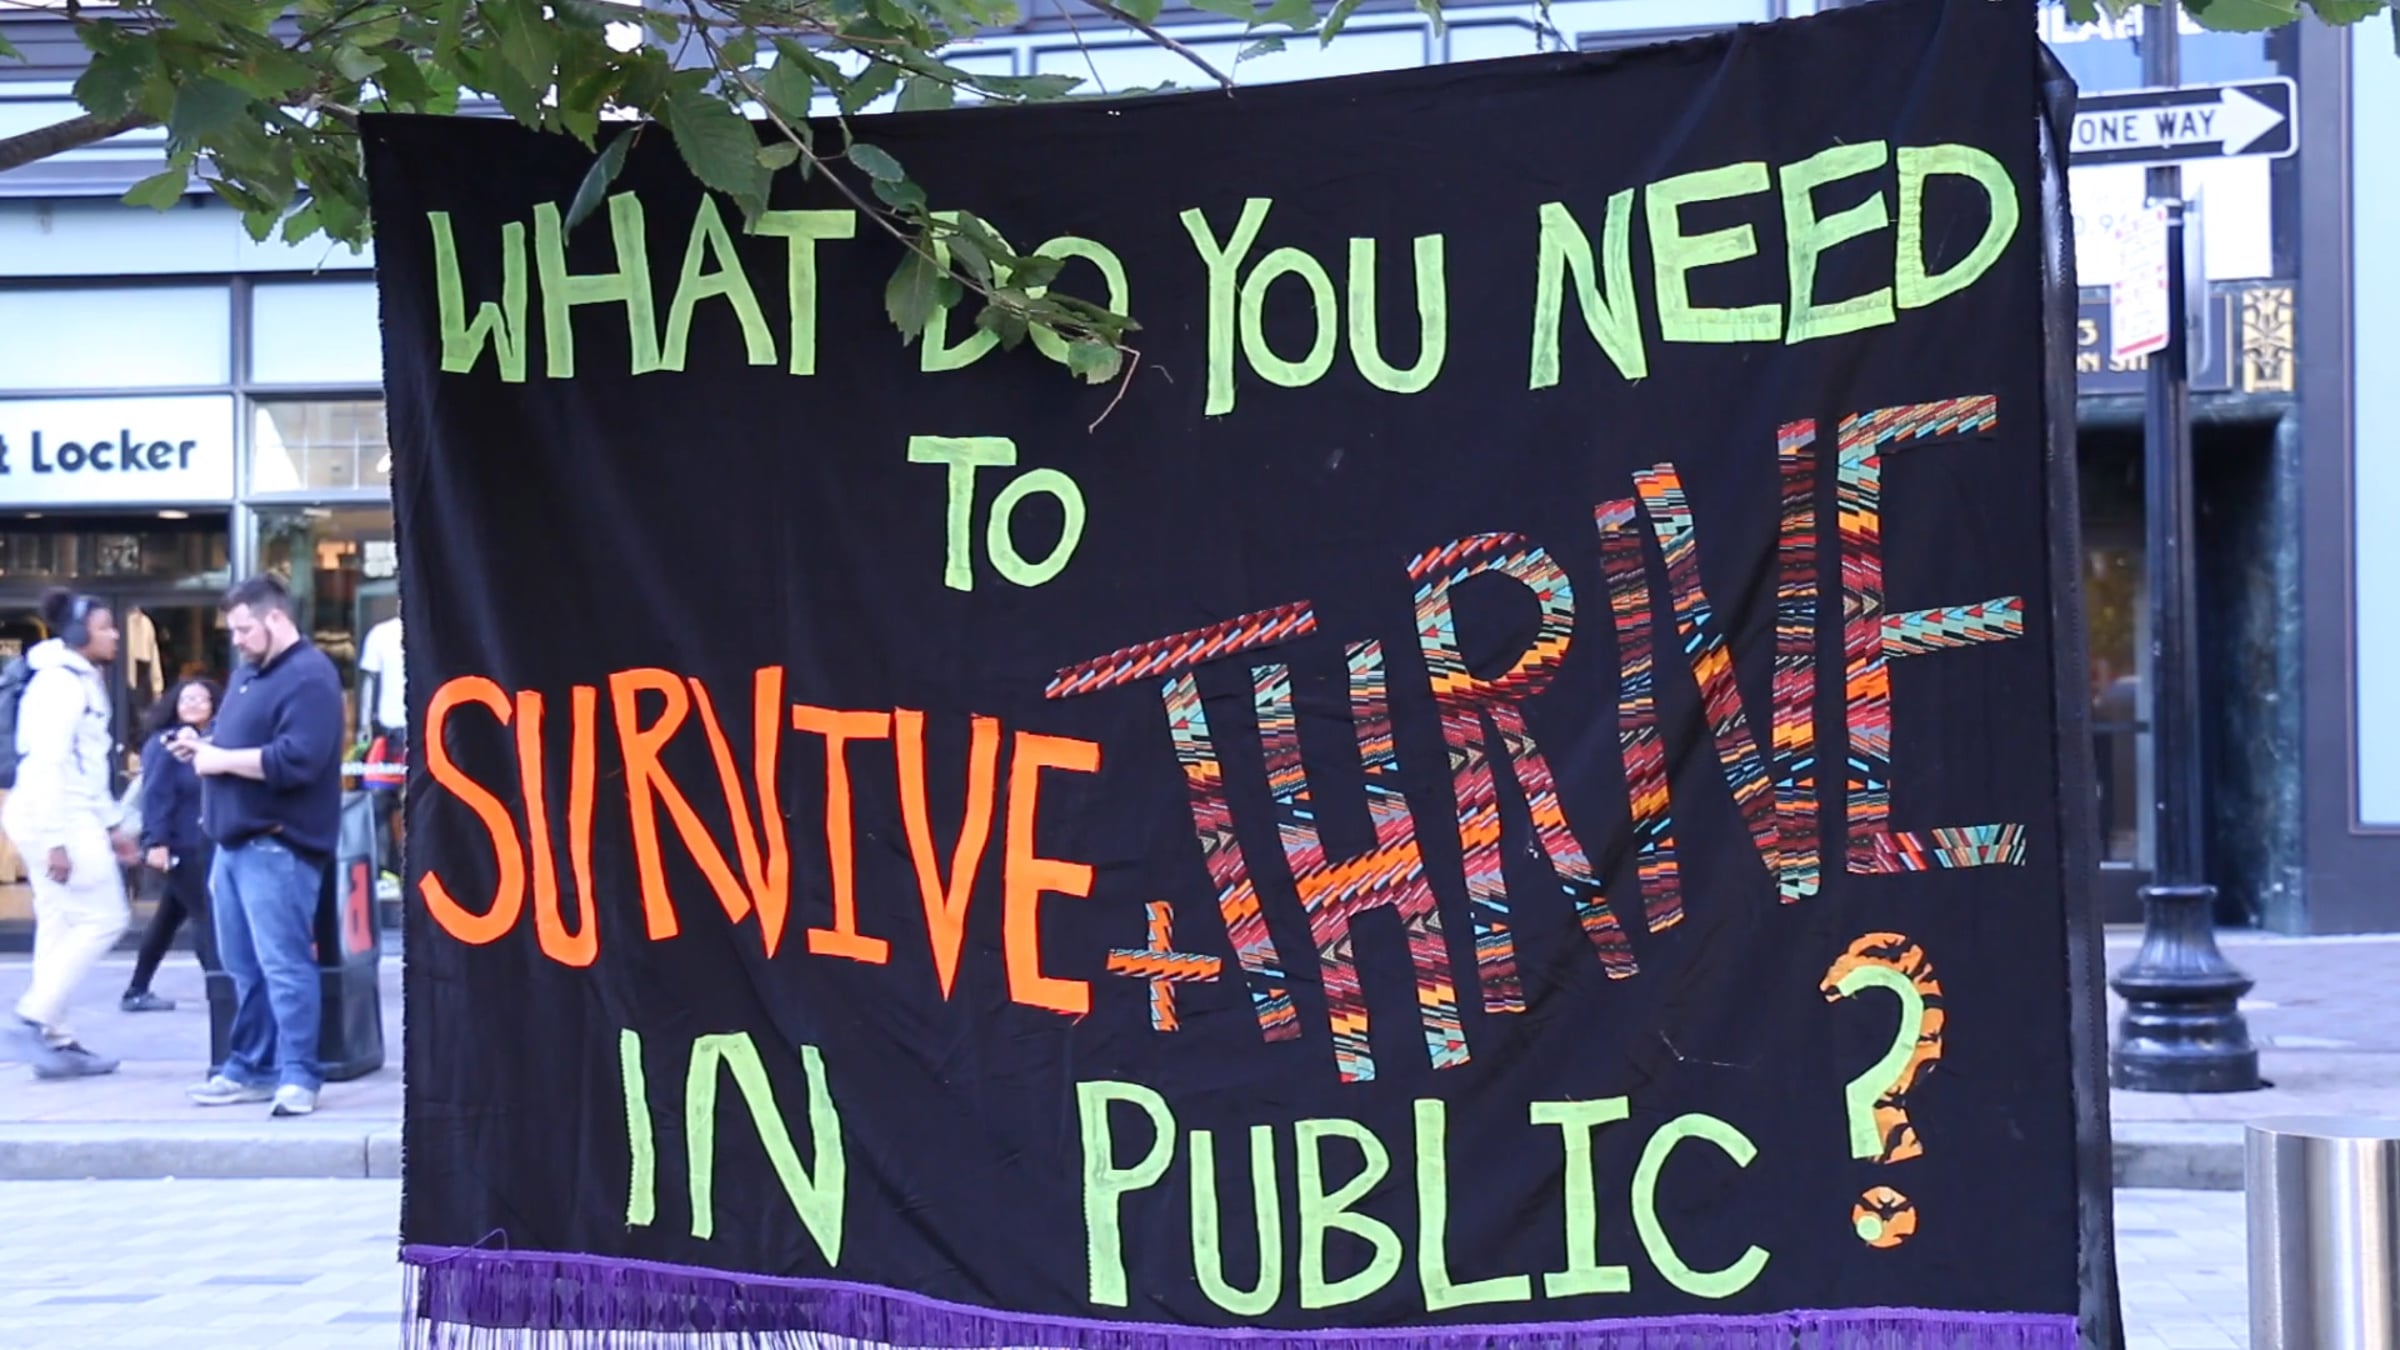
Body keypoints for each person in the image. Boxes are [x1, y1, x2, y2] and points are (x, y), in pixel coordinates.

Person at [177, 576, 344, 1117]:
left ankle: (299, 1075)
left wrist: (218, 759)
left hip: (276, 846)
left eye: (244, 629)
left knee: (283, 967)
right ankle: (251, 1067)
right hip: (234, 846)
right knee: (244, 968)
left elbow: (298, 759)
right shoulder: (251, 675)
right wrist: (205, 747)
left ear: (276, 618)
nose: (237, 640)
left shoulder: (310, 676)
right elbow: (247, 748)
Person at [3, 589, 137, 1079]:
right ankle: (32, 1016)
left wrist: (112, 825)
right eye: (105, 627)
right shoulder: (60, 683)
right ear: (79, 633)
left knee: (59, 925)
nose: (115, 634)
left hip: (64, 811)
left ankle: (55, 1040)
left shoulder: (76, 677)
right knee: (106, 917)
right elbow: (47, 763)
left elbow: (86, 765)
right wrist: (54, 839)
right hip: (56, 813)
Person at [121, 677, 222, 1012]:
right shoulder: (165, 743)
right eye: (186, 699)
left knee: (168, 917)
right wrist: (157, 842)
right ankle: (222, 991)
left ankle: (136, 990)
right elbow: (157, 795)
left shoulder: (215, 742)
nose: (193, 704)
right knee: (207, 917)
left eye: (201, 699)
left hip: (202, 841)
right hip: (179, 845)